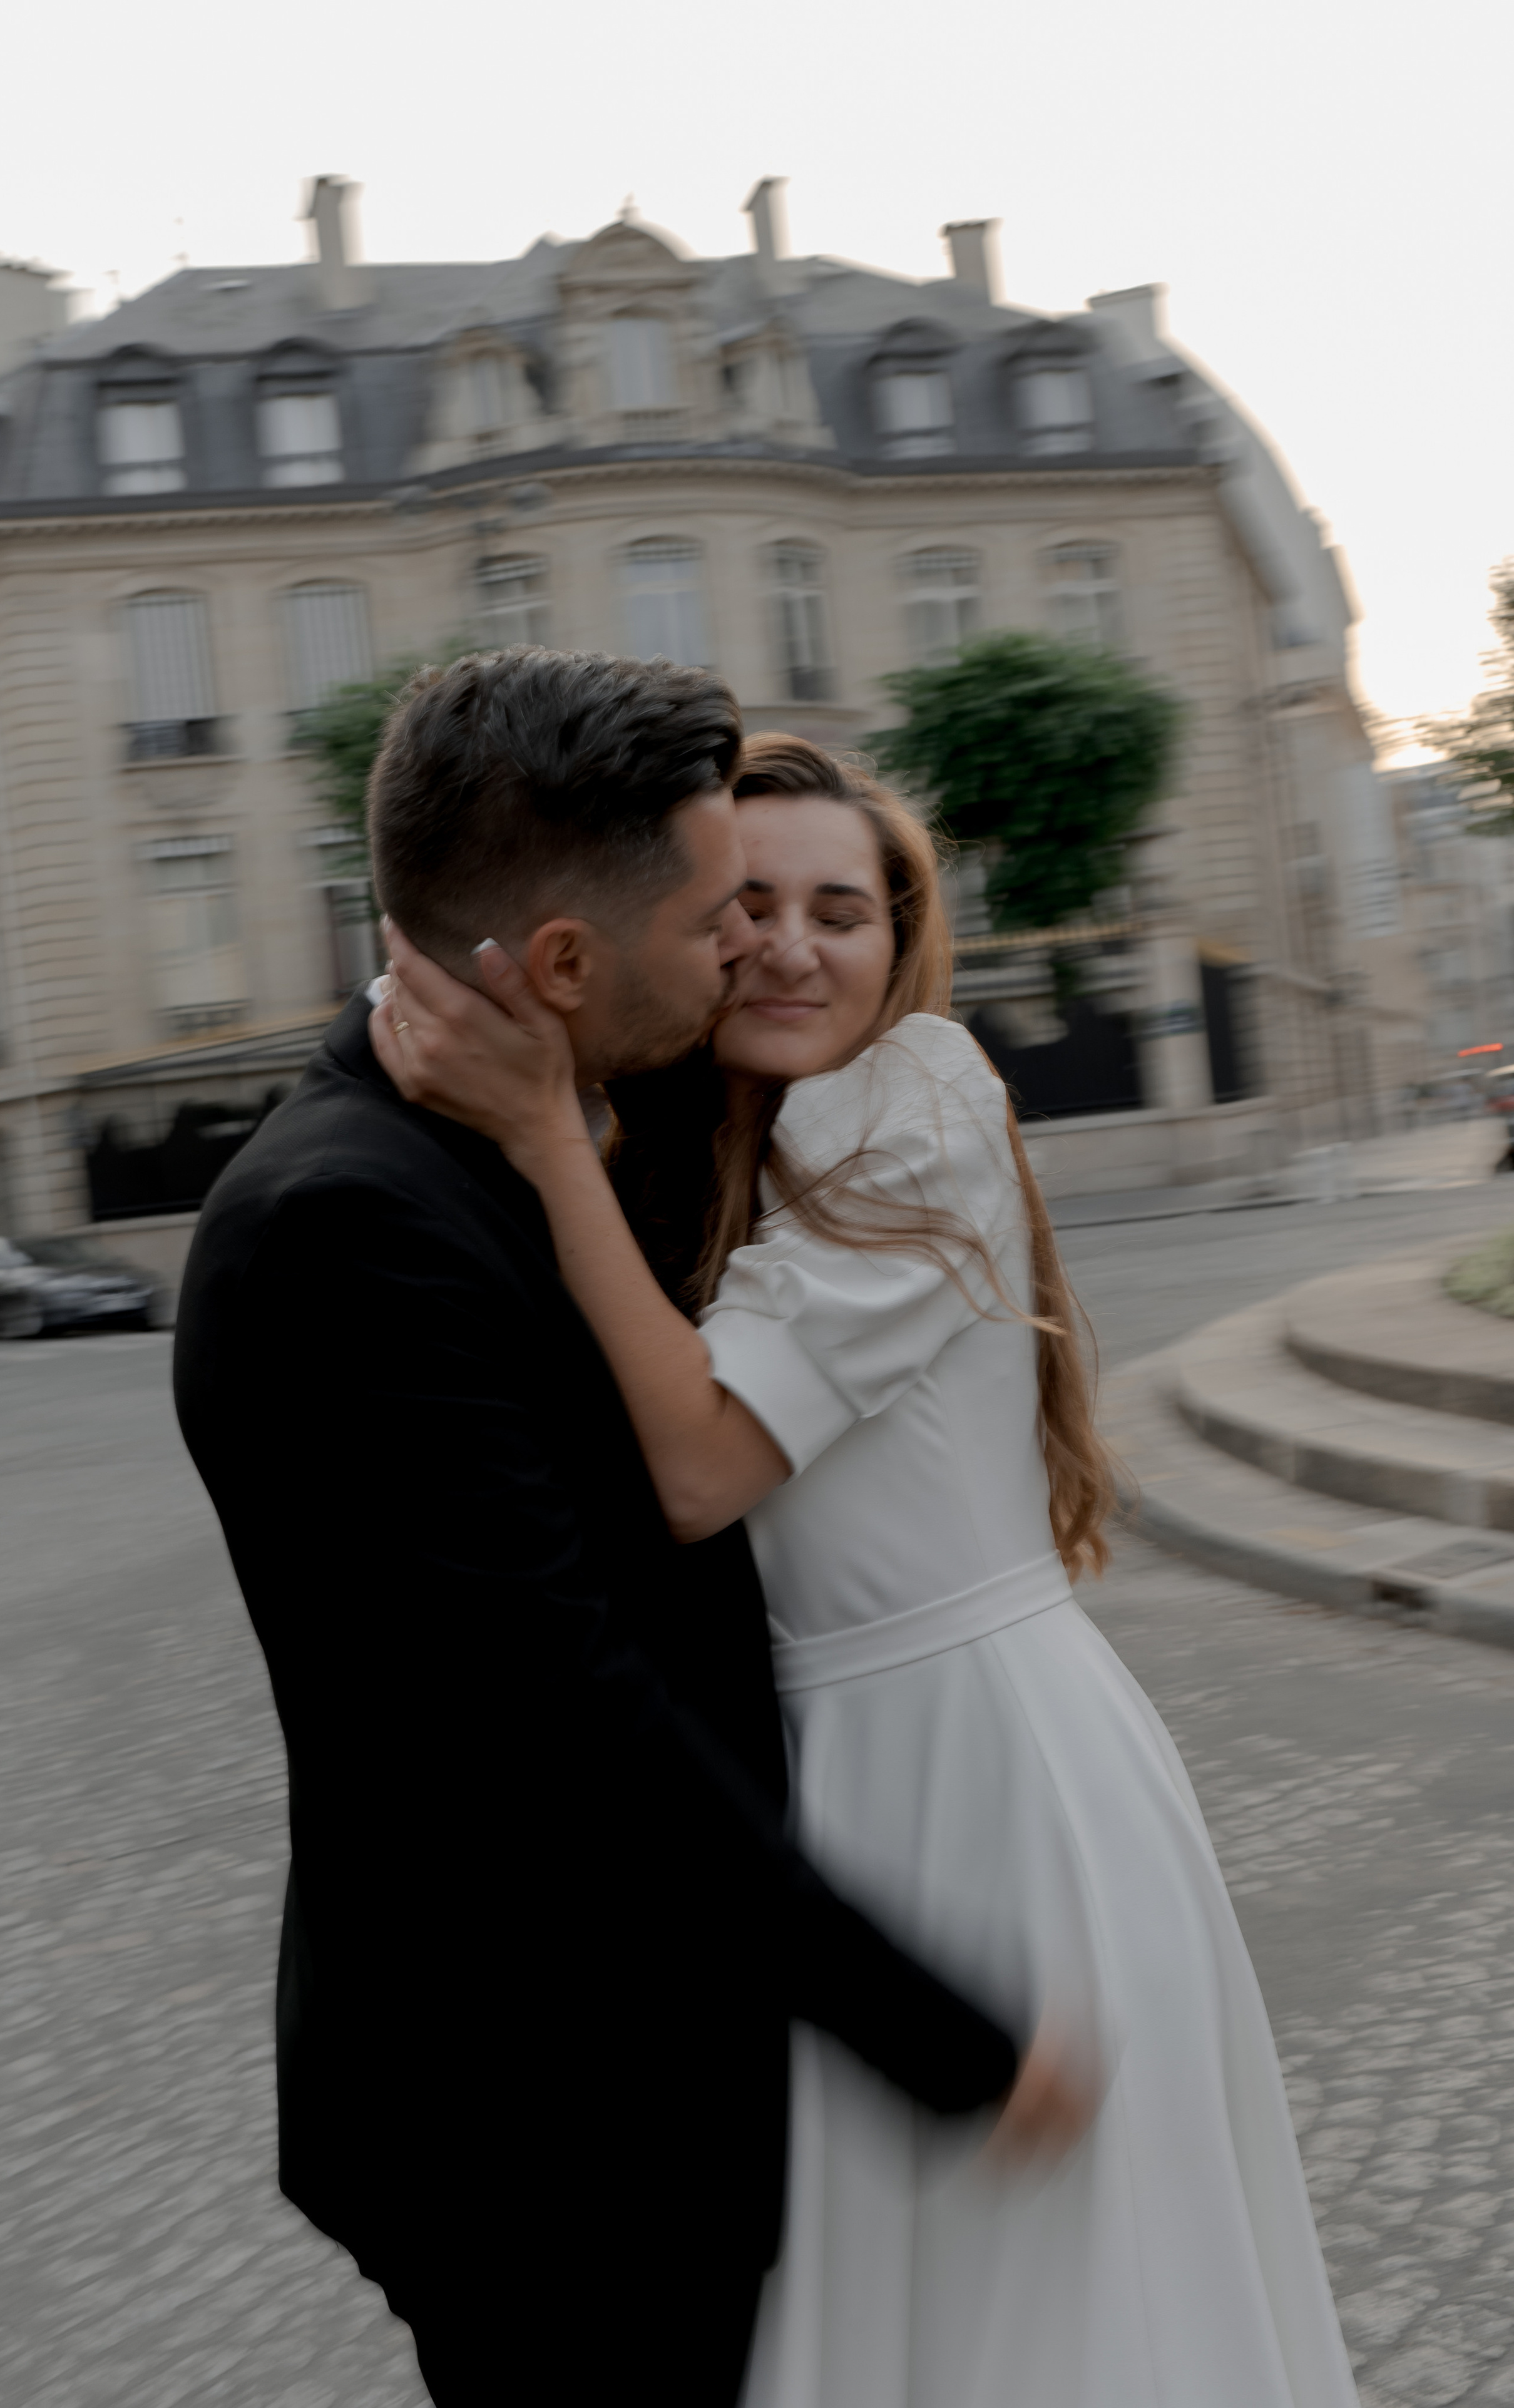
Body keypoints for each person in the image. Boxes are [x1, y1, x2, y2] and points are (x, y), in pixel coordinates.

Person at [375, 729, 1362, 2408]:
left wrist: (540, 1135)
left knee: (1051, 2320)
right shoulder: (714, 1147)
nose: (791, 946)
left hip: (983, 1769)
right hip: (830, 1794)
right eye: (744, 904)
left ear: (904, 945)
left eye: (846, 909)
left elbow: (700, 1468)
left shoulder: (916, 1098)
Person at [171, 653, 1088, 2408]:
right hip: (553, 2130)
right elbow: (570, 1714)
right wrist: (944, 2037)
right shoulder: (343, 1232)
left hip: (657, 2081)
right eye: (715, 919)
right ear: (570, 964)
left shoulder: (558, 1133)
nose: (748, 952)